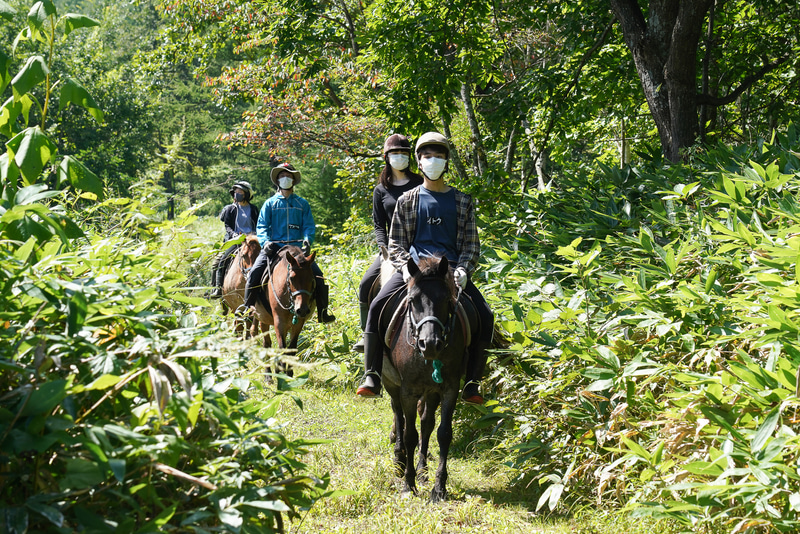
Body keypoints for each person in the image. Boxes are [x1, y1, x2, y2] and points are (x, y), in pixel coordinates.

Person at [356, 132, 494, 404]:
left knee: (486, 316)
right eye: (427, 156)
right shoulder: (407, 200)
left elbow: (471, 244)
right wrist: (406, 269)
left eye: (439, 156)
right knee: (375, 307)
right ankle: (371, 373)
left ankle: (473, 382)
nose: (433, 161)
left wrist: (464, 269)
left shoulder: (463, 201)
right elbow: (396, 243)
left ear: (446, 162)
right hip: (415, 271)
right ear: (418, 161)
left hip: (450, 273)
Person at [352, 134, 423, 352]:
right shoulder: (381, 190)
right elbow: (378, 224)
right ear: (387, 157)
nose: (400, 156)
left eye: (404, 153)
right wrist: (384, 249)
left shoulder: (421, 182)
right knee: (366, 284)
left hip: (421, 247)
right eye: (395, 153)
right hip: (392, 250)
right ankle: (367, 334)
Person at [242, 163, 336, 323]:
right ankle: (247, 310)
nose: (285, 178)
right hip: (273, 248)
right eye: (281, 176)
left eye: (288, 176)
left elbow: (308, 226)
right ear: (277, 180)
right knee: (254, 274)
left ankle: (323, 312)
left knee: (318, 276)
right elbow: (262, 226)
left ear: (293, 180)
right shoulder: (270, 204)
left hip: (296, 250)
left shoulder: (302, 204)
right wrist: (265, 243)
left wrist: (308, 240)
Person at [208, 180, 258, 299]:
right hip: (235, 240)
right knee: (220, 261)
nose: (237, 194)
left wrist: (254, 235)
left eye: (240, 192)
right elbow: (227, 226)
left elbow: (258, 225)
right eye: (235, 192)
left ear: (246, 194)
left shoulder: (254, 209)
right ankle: (217, 288)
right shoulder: (230, 209)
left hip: (252, 240)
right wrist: (235, 235)